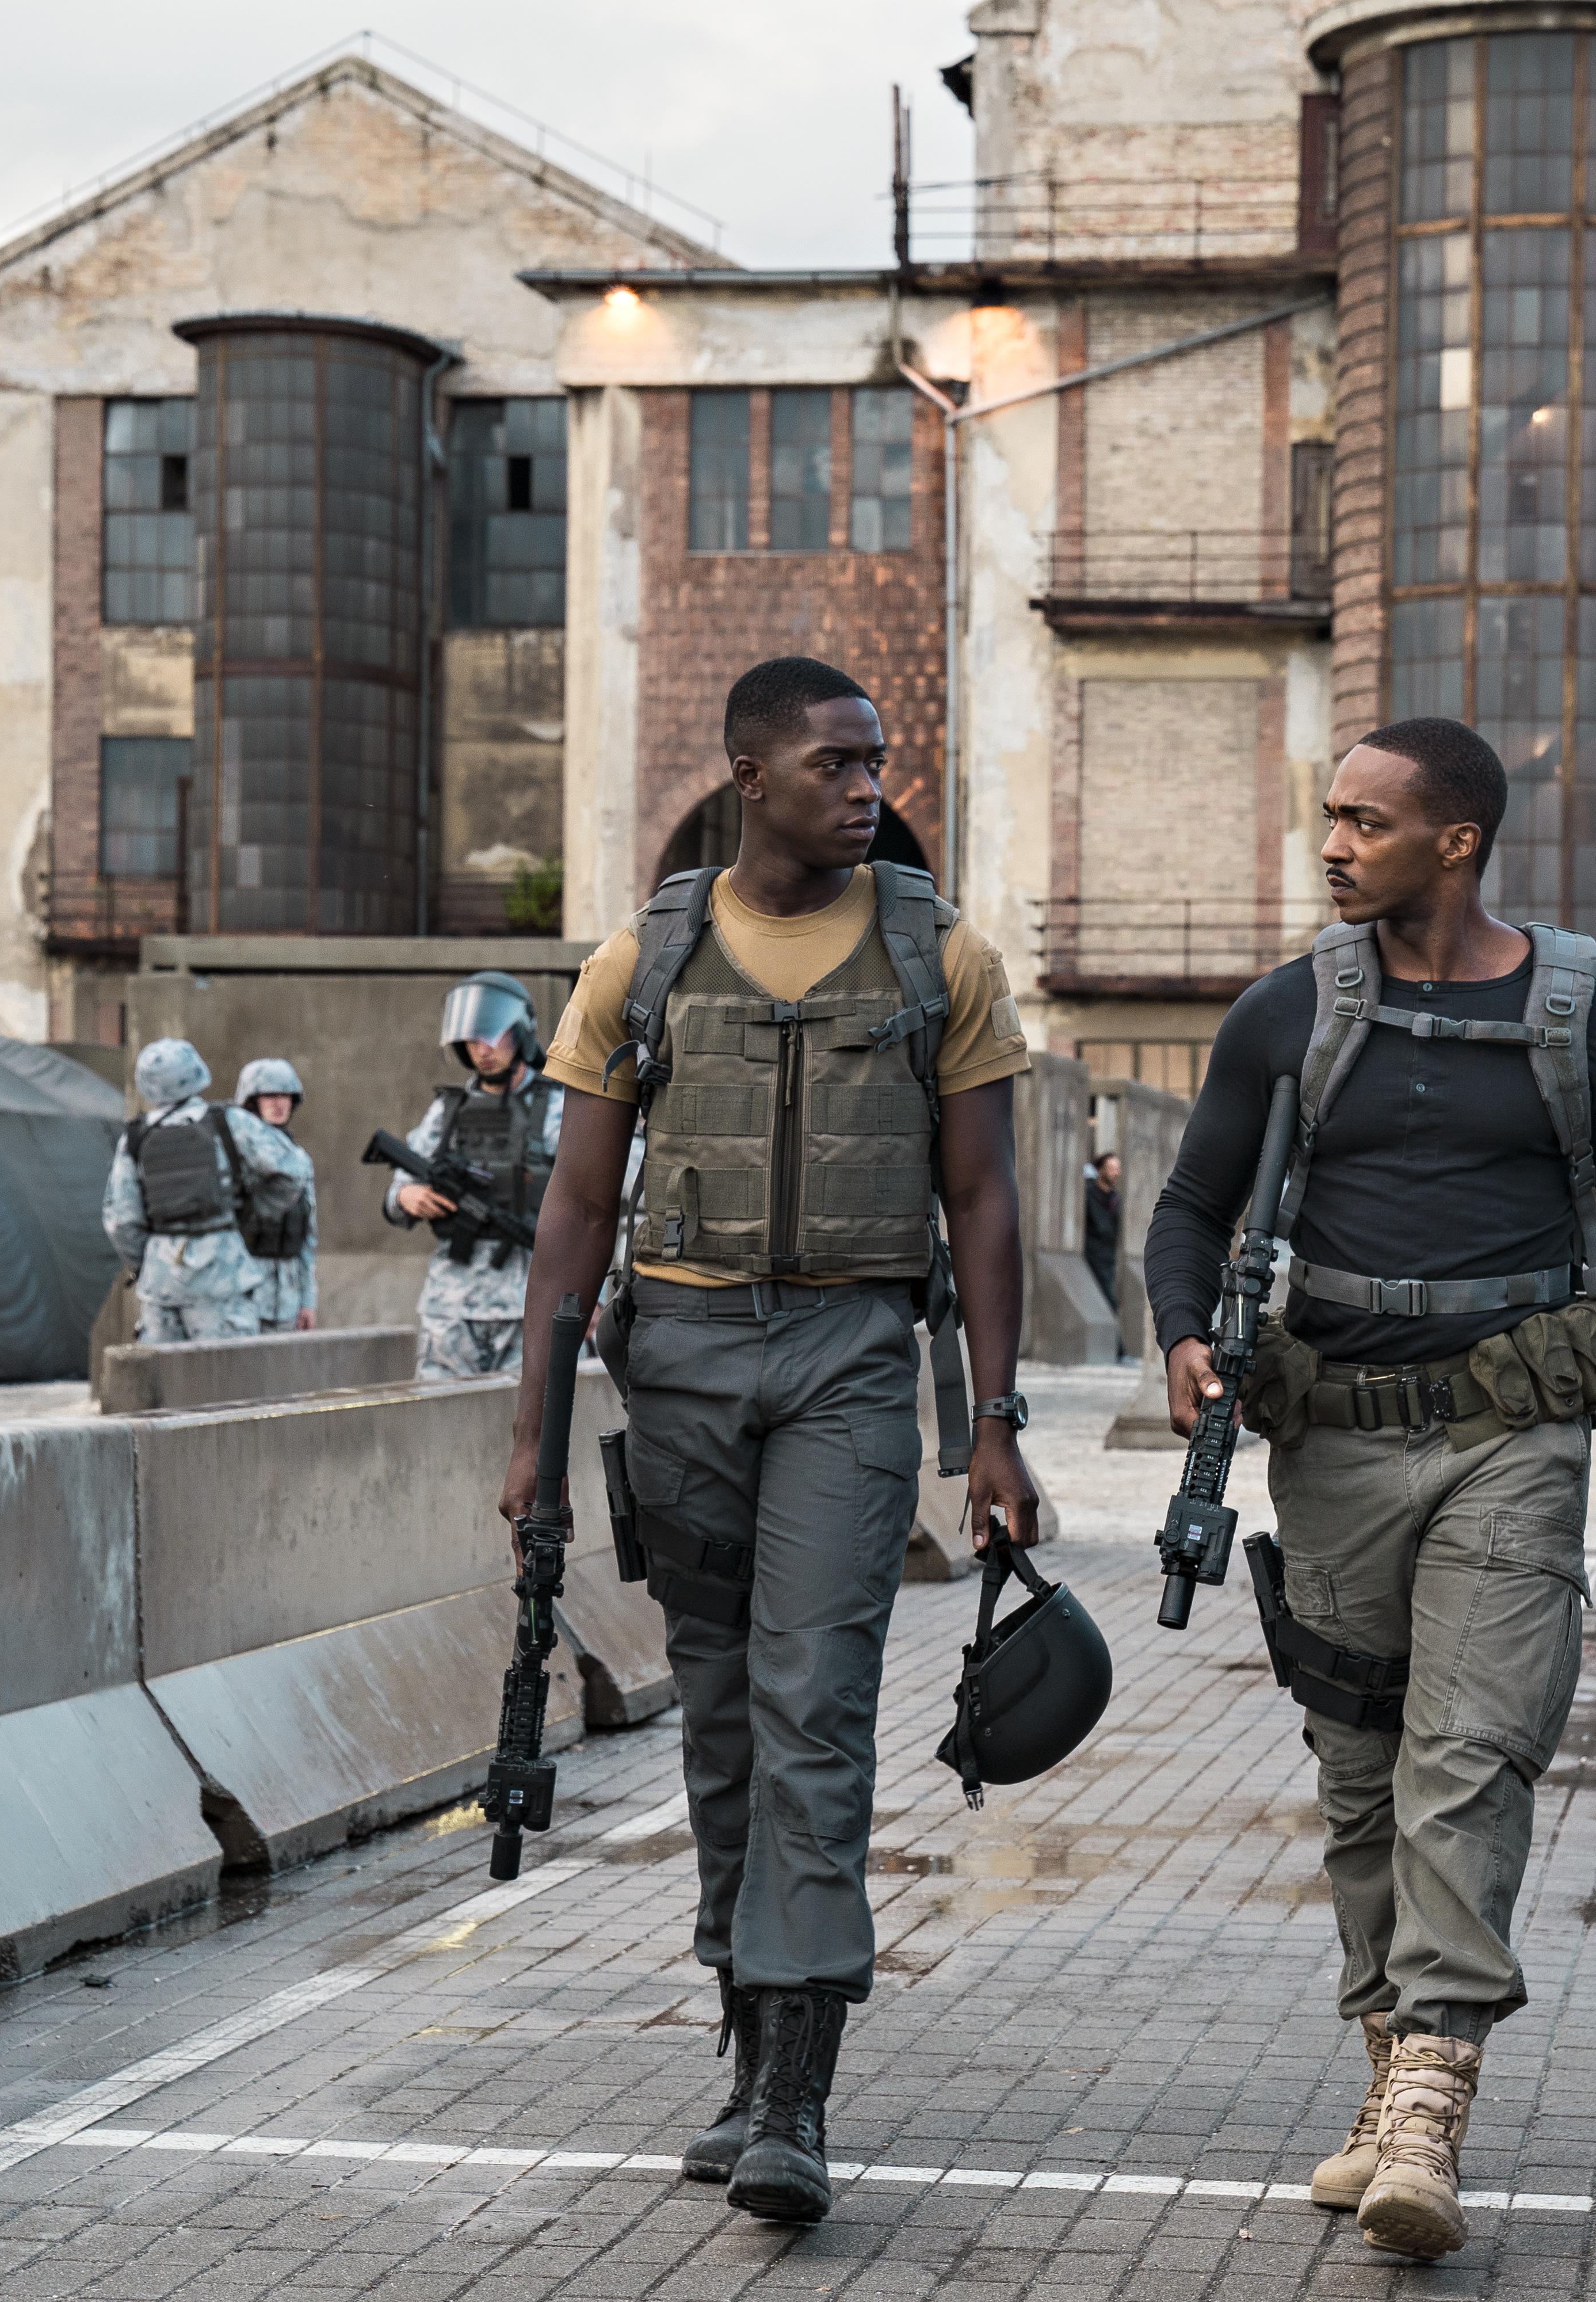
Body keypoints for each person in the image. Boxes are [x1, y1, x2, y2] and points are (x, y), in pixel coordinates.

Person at [1146, 715, 1596, 2263]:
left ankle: (1430, 2109)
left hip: (1510, 1443)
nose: (1334, 842)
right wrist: (1185, 1338)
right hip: (1329, 1441)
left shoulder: (1581, 1018)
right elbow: (1192, 1207)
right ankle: (1386, 2065)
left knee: (1469, 1757)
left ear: (1454, 842)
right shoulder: (1288, 1013)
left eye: (1366, 820)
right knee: (1359, 1778)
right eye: (1329, 815)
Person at [497, 655, 1040, 2230]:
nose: (867, 787)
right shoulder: (643, 962)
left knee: (818, 1704)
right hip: (675, 1362)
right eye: (834, 764)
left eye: (876, 762)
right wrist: (534, 1435)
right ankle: (742, 2051)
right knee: (721, 1715)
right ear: (752, 774)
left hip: (853, 1366)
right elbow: (576, 1215)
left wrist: (991, 1427)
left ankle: (797, 2097)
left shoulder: (945, 957)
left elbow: (988, 1199)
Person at [390, 972, 558, 1377]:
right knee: (438, 1423)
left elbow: (607, 1206)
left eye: (493, 1036)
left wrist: (594, 1296)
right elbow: (400, 1183)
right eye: (472, 1040)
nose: (483, 1050)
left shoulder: (557, 1108)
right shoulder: (448, 1111)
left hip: (532, 1306)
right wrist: (405, 1197)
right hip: (450, 1308)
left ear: (521, 1035)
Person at [104, 1037, 303, 1346]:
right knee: (228, 1384)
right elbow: (292, 1171)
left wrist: (152, 1261)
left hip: (160, 1286)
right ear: (197, 1072)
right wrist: (249, 1216)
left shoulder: (135, 1138)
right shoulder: (229, 1123)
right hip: (223, 1276)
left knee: (163, 1386)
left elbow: (121, 1221)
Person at [234, 1057, 319, 1336]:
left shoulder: (298, 1159)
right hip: (241, 1296)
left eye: (285, 1095)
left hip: (287, 1299)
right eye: (269, 1095)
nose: (279, 1103)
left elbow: (309, 1235)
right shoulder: (235, 1155)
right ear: (251, 1101)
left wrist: (308, 1300)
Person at [1083, 1149, 1122, 1324]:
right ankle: (1118, 1347)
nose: (1116, 1173)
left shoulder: (1116, 1199)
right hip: (1092, 1255)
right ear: (1101, 1170)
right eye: (1112, 1168)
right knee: (1106, 1300)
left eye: (1117, 1169)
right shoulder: (1089, 1194)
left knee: (1110, 1300)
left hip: (1109, 1258)